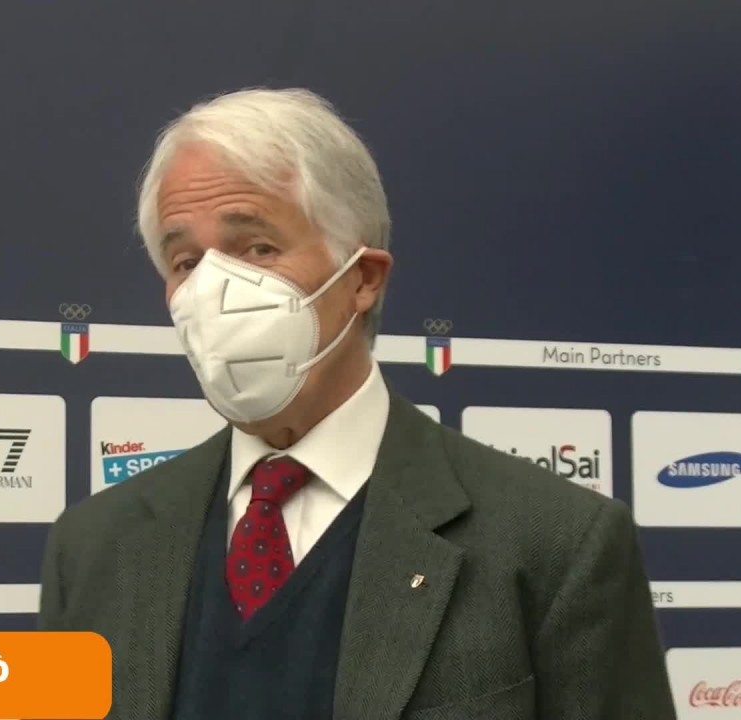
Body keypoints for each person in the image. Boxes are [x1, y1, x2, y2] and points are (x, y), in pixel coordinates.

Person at [38, 87, 677, 720]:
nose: (212, 291)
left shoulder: (555, 544)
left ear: (363, 279)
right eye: (185, 262)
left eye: (257, 248)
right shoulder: (92, 548)